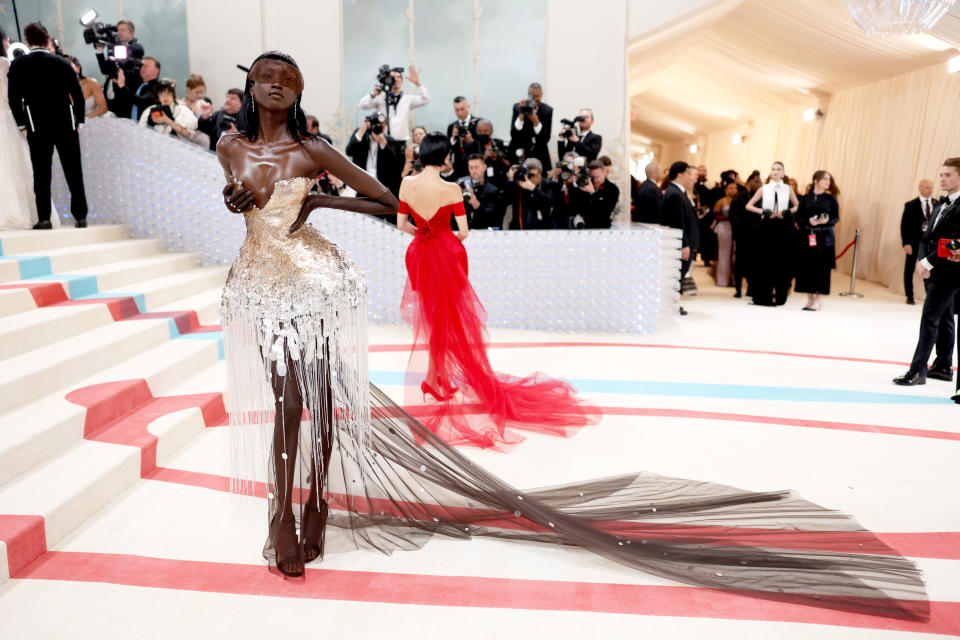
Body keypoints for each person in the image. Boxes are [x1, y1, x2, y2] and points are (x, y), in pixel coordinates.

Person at [213, 52, 929, 618]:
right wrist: (241, 198)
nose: (274, 86)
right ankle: (286, 514)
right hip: (259, 283)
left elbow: (378, 198)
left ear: (299, 90)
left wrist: (311, 200)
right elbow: (237, 197)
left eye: (287, 78)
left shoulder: (311, 149)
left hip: (311, 281)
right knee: (285, 401)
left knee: (318, 393)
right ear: (249, 86)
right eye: (264, 77)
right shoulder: (227, 143)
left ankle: (310, 506)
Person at [398, 131, 596, 446]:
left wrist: (423, 235)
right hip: (447, 256)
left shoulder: (407, 183)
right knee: (449, 317)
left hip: (420, 253)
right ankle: (434, 379)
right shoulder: (450, 188)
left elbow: (401, 224)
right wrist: (441, 237)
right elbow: (463, 232)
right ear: (445, 155)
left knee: (432, 316)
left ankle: (434, 380)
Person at [7, 22, 87, 229]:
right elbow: (77, 94)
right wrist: (78, 120)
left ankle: (44, 218)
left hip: (37, 126)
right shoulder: (61, 62)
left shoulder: (18, 65)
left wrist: (22, 125)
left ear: (27, 41)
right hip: (65, 123)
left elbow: (13, 98)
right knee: (73, 171)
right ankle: (80, 216)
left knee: (41, 173)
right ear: (48, 40)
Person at [893, 158, 960, 388]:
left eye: (948, 175)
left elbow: (956, 243)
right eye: (941, 174)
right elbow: (926, 237)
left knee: (930, 317)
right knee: (944, 318)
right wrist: (922, 260)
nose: (942, 179)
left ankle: (917, 371)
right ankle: (943, 366)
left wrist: (928, 263)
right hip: (934, 269)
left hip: (951, 271)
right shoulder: (941, 205)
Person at [745, 162, 798, 306]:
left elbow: (797, 205)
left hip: (783, 227)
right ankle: (763, 296)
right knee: (765, 261)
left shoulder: (788, 189)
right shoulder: (764, 188)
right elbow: (748, 205)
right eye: (773, 169)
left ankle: (779, 295)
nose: (775, 172)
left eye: (778, 169)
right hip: (766, 226)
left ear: (783, 173)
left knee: (781, 262)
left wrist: (787, 212)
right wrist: (762, 211)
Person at [794, 171, 840, 311]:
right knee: (807, 268)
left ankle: (818, 299)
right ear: (816, 180)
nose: (827, 182)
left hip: (825, 238)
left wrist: (826, 221)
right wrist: (809, 221)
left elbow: (836, 218)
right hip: (808, 236)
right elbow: (798, 218)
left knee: (822, 269)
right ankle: (809, 298)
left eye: (829, 179)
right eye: (825, 179)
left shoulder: (831, 199)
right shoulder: (805, 199)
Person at [662, 161, 700, 315]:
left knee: (678, 276)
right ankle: (671, 305)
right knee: (675, 276)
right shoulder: (674, 193)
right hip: (681, 243)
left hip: (687, 241)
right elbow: (677, 222)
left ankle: (673, 304)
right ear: (679, 174)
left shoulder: (679, 192)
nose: (689, 177)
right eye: (687, 174)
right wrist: (684, 244)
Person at [358, 65, 428, 141]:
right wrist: (373, 94)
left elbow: (425, 99)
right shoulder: (381, 96)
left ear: (401, 80)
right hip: (383, 141)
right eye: (393, 77)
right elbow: (362, 105)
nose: (396, 79)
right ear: (388, 80)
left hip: (401, 142)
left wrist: (418, 83)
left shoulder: (408, 99)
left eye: (398, 77)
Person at [345, 115, 402, 200]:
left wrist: (383, 143)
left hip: (382, 187)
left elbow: (395, 164)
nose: (378, 129)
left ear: (385, 127)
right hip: (361, 186)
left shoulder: (390, 141)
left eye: (382, 127)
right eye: (376, 126)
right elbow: (349, 151)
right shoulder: (361, 136)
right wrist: (361, 131)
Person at [901, 179, 937, 305]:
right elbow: (904, 226)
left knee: (930, 269)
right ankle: (909, 295)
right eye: (927, 187)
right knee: (909, 269)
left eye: (931, 187)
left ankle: (930, 295)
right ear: (920, 188)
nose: (930, 190)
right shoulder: (910, 205)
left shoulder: (937, 204)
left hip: (930, 244)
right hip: (914, 242)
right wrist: (906, 243)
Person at [730, 173, 762, 298]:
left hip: (756, 235)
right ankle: (738, 288)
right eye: (756, 182)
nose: (759, 184)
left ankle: (751, 288)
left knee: (754, 262)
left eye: (759, 182)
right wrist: (743, 226)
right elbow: (732, 216)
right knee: (740, 262)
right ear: (749, 182)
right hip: (742, 235)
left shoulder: (760, 198)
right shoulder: (739, 197)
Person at [508, 82, 553, 171]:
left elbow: (545, 138)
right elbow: (514, 134)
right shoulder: (517, 107)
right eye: (532, 95)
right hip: (520, 153)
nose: (534, 99)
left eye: (537, 96)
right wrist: (521, 113)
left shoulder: (547, 111)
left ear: (541, 95)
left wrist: (535, 120)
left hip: (539, 154)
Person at [503, 158, 554, 229]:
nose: (531, 179)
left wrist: (533, 189)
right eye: (529, 175)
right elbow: (506, 200)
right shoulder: (520, 184)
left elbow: (549, 202)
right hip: (521, 228)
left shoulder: (548, 184)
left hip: (542, 228)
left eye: (534, 175)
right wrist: (511, 180)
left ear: (540, 173)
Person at [113, 55, 161, 123]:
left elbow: (142, 102)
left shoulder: (159, 87)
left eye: (146, 66)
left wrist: (123, 87)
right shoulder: (135, 84)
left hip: (146, 129)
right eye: (141, 65)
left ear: (156, 71)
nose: (142, 68)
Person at [461, 153, 500, 229]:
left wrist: (475, 204)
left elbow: (492, 218)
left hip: (484, 231)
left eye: (476, 167)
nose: (474, 171)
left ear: (484, 167)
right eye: (471, 168)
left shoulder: (492, 190)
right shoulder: (463, 187)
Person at [711, 181, 738, 287]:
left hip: (736, 228)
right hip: (724, 227)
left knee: (735, 255)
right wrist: (729, 218)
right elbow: (716, 215)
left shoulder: (739, 200)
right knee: (724, 254)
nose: (733, 190)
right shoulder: (721, 201)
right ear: (726, 190)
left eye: (735, 188)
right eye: (730, 188)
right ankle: (722, 280)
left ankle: (734, 279)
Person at [579, 159, 619, 229]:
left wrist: (593, 193)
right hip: (585, 227)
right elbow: (581, 209)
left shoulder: (613, 189)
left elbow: (605, 211)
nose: (595, 180)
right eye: (592, 177)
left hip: (603, 228)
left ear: (604, 173)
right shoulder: (585, 186)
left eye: (598, 177)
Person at [446, 96, 479, 178]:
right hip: (458, 167)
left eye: (462, 109)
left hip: (475, 166)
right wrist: (453, 139)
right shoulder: (451, 127)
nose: (459, 113)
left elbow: (482, 146)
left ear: (468, 107)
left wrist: (471, 141)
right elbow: (448, 149)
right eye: (456, 110)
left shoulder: (479, 123)